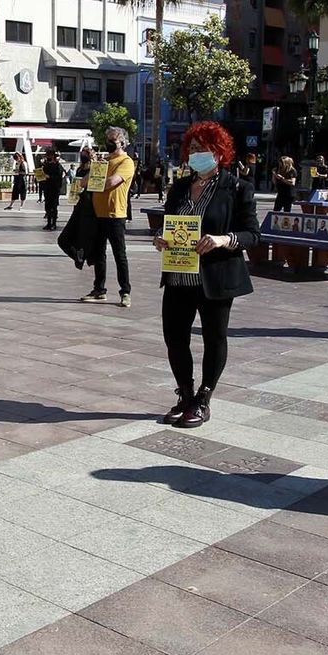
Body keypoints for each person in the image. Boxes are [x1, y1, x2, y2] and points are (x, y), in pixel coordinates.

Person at [152, 121, 259, 429]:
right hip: (178, 275)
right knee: (174, 337)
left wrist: (223, 240)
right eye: (194, 148)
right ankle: (185, 393)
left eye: (204, 148)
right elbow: (168, 223)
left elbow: (253, 234)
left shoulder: (237, 188)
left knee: (214, 338)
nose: (198, 153)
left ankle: (203, 397)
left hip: (215, 277)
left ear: (219, 151)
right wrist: (159, 237)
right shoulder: (181, 187)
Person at [83, 126, 135, 308]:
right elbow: (83, 182)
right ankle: (99, 289)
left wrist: (95, 182)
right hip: (98, 214)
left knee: (119, 254)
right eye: (108, 139)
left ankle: (125, 291)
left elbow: (112, 183)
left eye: (113, 140)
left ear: (123, 143)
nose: (109, 143)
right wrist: (94, 168)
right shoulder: (103, 162)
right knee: (99, 254)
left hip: (116, 214)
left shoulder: (126, 162)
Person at [40, 149, 65, 230]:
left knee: (54, 207)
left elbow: (59, 177)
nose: (48, 157)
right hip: (47, 188)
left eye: (49, 155)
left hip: (54, 188)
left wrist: (49, 177)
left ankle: (53, 223)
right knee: (47, 206)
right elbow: (42, 175)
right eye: (47, 155)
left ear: (53, 156)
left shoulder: (58, 166)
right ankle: (48, 223)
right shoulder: (45, 165)